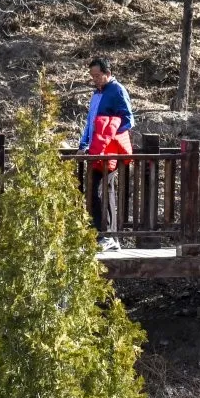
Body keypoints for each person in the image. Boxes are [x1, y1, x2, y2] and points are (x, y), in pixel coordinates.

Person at [78, 57, 134, 252]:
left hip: (108, 149)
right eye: (92, 76)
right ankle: (104, 235)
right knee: (96, 190)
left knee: (102, 189)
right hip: (95, 149)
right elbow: (90, 121)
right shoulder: (97, 93)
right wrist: (83, 143)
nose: (95, 79)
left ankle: (108, 234)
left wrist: (108, 135)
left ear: (108, 73)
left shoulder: (117, 90)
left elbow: (128, 120)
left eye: (98, 75)